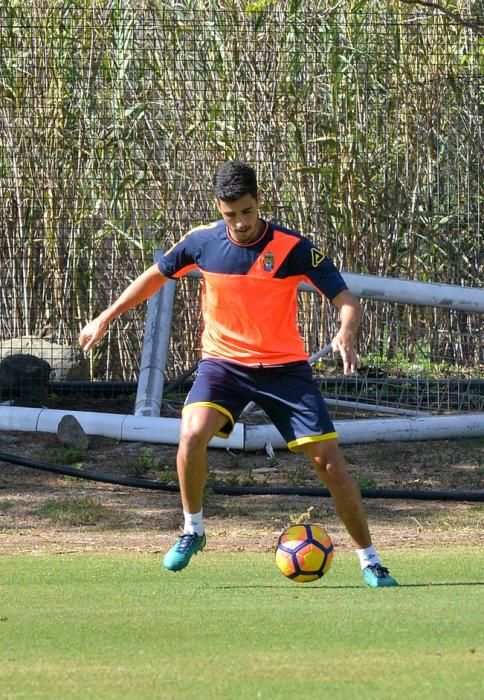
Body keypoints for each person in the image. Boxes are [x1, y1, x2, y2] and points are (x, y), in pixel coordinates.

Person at [79, 161, 398, 588]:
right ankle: (193, 529)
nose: (241, 223)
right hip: (223, 365)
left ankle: (371, 560)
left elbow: (346, 300)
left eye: (246, 212)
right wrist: (106, 316)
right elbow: (154, 278)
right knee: (191, 434)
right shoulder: (201, 242)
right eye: (231, 214)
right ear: (219, 208)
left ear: (258, 201)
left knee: (330, 465)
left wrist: (345, 332)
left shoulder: (292, 248)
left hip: (284, 370)